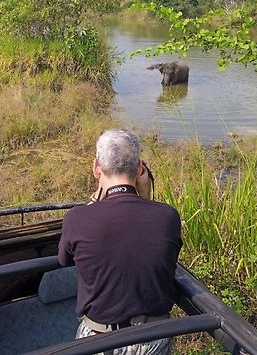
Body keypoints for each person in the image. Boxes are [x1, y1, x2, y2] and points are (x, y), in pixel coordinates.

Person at [58, 129, 182, 355]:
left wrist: (96, 198)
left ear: (97, 168)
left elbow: (64, 259)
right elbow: (144, 234)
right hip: (152, 337)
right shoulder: (168, 216)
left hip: (97, 340)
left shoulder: (77, 218)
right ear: (139, 168)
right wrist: (144, 194)